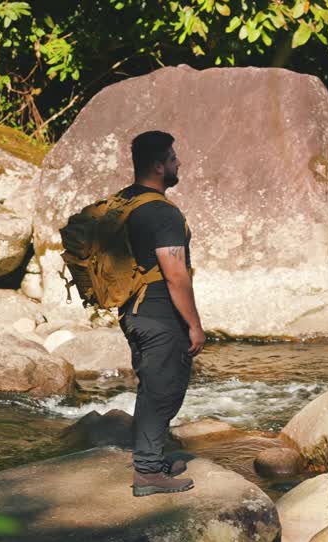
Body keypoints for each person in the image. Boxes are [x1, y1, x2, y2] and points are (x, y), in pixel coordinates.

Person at [119, 130, 205, 497]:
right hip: (158, 315)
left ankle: (152, 457)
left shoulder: (124, 202)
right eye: (173, 158)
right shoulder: (162, 213)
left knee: (151, 387)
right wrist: (195, 324)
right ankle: (148, 472)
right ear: (158, 166)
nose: (178, 162)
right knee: (163, 389)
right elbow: (175, 274)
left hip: (132, 311)